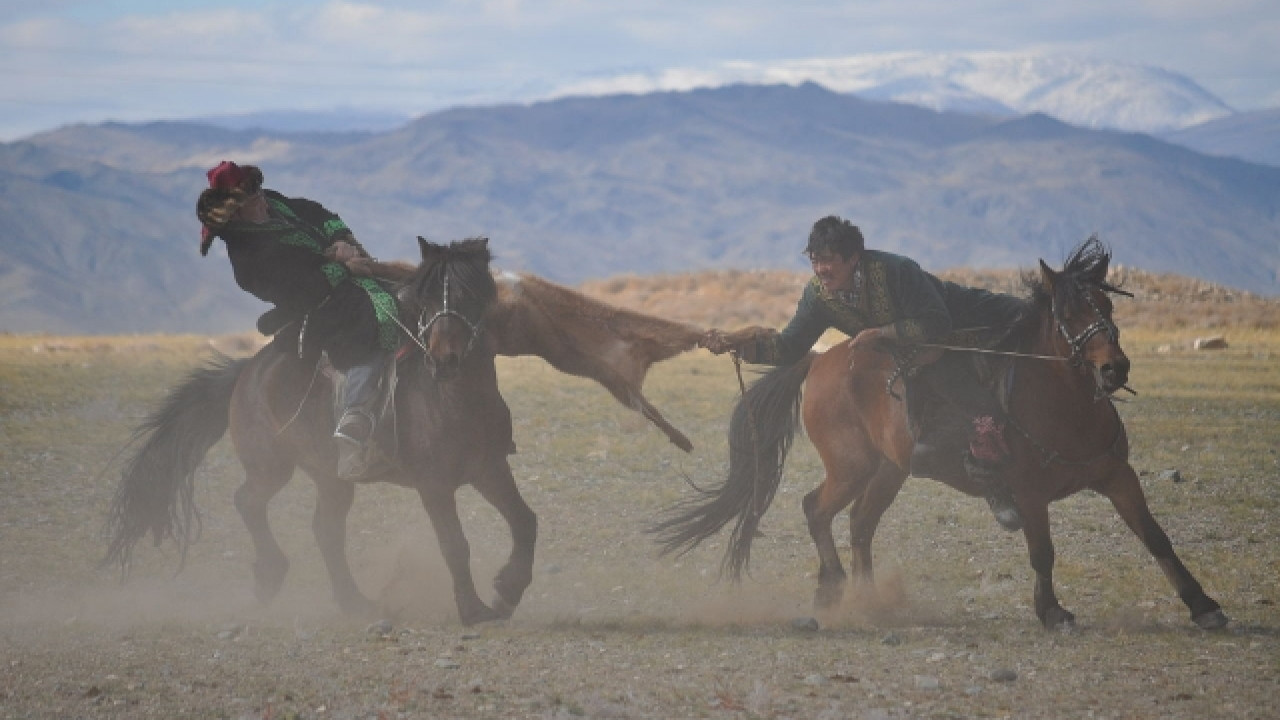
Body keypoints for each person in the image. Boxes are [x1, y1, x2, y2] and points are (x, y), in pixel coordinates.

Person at [700, 215, 1027, 531]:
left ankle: (998, 491)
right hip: (917, 359)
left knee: (984, 409)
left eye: (828, 260)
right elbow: (790, 347)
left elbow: (936, 322)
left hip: (965, 327)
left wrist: (883, 333)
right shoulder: (818, 296)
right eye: (815, 260)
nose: (820, 269)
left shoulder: (896, 271)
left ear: (853, 257)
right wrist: (743, 348)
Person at [196, 161, 400, 480]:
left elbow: (317, 213)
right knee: (369, 333)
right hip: (318, 310)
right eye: (253, 200)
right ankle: (354, 424)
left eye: (259, 192)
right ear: (235, 212)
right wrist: (343, 269)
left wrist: (342, 240)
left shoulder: (274, 203)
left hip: (356, 281)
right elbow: (300, 292)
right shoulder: (247, 261)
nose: (262, 200)